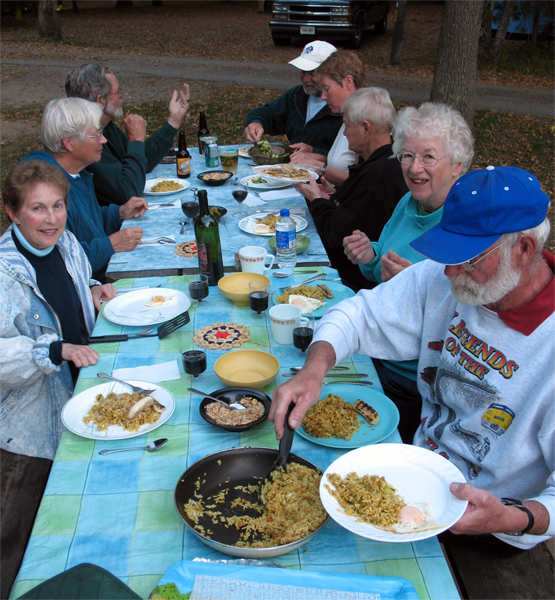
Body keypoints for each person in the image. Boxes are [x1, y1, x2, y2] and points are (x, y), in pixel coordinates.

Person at [270, 166, 554, 551]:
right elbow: (359, 314)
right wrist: (315, 368)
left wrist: (517, 517)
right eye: (448, 253)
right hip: (415, 475)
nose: (451, 271)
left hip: (493, 525)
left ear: (523, 249)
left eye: (469, 259)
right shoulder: (444, 277)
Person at [340, 103, 474, 440]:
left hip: (415, 382)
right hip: (377, 355)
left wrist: (418, 289)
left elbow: (473, 321)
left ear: (457, 165)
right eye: (407, 155)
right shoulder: (408, 203)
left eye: (429, 157)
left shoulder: (468, 228)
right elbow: (382, 276)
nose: (415, 167)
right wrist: (370, 256)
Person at [0, 160, 117, 460]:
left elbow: (75, 279)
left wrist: (91, 287)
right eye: (37, 208)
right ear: (12, 213)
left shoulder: (65, 242)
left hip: (88, 383)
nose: (52, 219)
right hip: (34, 426)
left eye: (58, 205)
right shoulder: (5, 275)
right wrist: (52, 351)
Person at [295, 88, 408, 293]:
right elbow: (352, 211)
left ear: (366, 128)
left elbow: (337, 235)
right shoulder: (379, 161)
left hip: (348, 283)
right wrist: (331, 196)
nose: (344, 132)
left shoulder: (380, 174)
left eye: (347, 126)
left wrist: (315, 198)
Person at [22, 97, 148, 279]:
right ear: (69, 143)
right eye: (96, 135)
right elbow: (60, 261)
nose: (103, 140)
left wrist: (118, 213)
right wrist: (111, 244)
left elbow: (87, 223)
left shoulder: (75, 173)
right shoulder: (47, 192)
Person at [65, 63, 190, 206]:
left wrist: (172, 122)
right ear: (101, 100)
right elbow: (128, 192)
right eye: (117, 92)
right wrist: (136, 140)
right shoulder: (86, 142)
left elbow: (140, 163)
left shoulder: (106, 127)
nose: (121, 96)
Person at [243, 41, 342, 157]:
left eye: (312, 73)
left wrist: (314, 152)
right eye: (303, 71)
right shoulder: (297, 95)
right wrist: (255, 122)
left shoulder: (343, 107)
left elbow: (348, 161)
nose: (305, 79)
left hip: (324, 173)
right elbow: (268, 113)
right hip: (291, 170)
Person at [289, 50, 365, 186]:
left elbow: (361, 182)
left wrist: (317, 166)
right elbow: (343, 162)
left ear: (348, 82)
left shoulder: (363, 121)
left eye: (327, 89)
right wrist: (313, 154)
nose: (323, 97)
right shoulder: (348, 117)